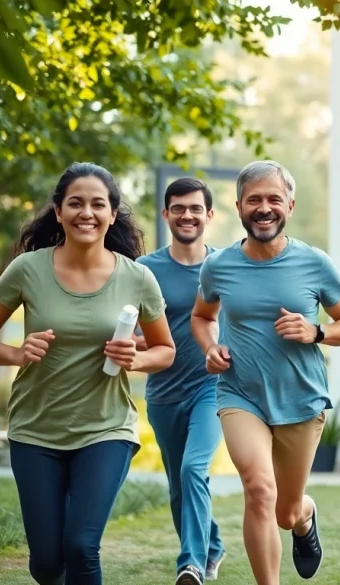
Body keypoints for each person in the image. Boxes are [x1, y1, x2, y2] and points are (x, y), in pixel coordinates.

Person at [0, 162, 176, 585]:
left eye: (98, 204)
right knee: (46, 562)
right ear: (58, 211)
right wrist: (17, 353)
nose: (87, 213)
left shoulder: (137, 278)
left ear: (112, 214)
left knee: (81, 546)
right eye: (75, 203)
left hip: (106, 429)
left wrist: (135, 358)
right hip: (35, 430)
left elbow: (165, 351)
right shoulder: (28, 269)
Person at [189, 160, 340, 585]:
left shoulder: (314, 263)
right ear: (239, 206)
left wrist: (316, 330)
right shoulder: (220, 265)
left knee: (285, 510)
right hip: (239, 394)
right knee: (259, 490)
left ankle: (304, 516)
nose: (263, 208)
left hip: (300, 399)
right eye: (254, 200)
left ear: (289, 204)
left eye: (273, 199)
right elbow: (201, 316)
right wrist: (211, 348)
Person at [134, 178, 226, 585]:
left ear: (209, 215)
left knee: (193, 469)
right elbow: (138, 332)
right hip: (164, 392)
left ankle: (191, 564)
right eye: (178, 208)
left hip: (213, 386)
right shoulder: (145, 270)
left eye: (195, 208)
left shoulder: (225, 265)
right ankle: (214, 544)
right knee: (178, 486)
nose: (186, 215)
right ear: (165, 214)